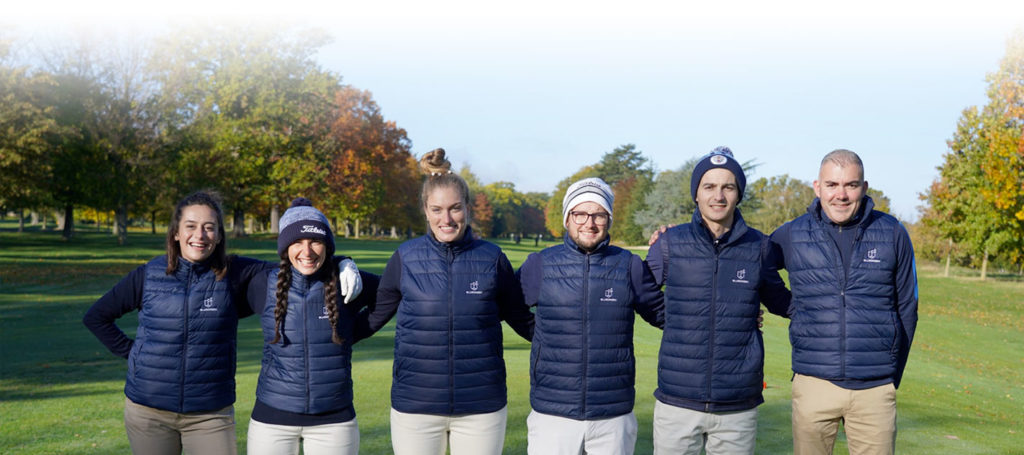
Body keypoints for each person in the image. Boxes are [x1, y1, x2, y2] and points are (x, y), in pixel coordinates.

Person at [82, 191, 362, 455]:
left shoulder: (236, 273)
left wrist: (341, 262)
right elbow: (97, 317)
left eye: (209, 228)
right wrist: (135, 354)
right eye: (191, 226)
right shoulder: (149, 274)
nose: (199, 235)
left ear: (218, 236)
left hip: (210, 414)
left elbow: (298, 264)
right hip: (147, 411)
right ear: (176, 233)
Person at [366, 148, 534, 455]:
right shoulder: (405, 257)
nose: (446, 219)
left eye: (455, 209)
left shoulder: (492, 258)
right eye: (437, 209)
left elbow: (522, 320)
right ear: (426, 211)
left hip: (481, 408)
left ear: (468, 208)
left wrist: (574, 342)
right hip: (415, 408)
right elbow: (374, 317)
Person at [769, 149, 918, 455]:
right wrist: (793, 307)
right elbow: (749, 265)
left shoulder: (893, 233)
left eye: (851, 185)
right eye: (832, 185)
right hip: (813, 385)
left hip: (875, 389)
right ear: (817, 187)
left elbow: (907, 306)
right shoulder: (792, 234)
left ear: (864, 187)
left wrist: (891, 374)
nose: (841, 195)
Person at [645, 146, 792, 455]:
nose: (718, 196)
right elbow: (640, 294)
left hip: (737, 404)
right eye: (709, 186)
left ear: (739, 195)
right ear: (696, 194)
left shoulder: (760, 247)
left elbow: (782, 302)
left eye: (728, 187)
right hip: (677, 401)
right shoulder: (669, 243)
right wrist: (676, 318)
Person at [516, 177, 665, 455]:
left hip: (613, 415)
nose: (589, 222)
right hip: (552, 413)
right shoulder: (541, 264)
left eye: (599, 214)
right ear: (567, 218)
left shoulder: (629, 265)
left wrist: (676, 247)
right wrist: (541, 335)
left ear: (608, 220)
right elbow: (509, 306)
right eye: (580, 214)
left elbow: (666, 315)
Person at [244, 197, 379, 455]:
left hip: (334, 422)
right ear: (285, 247)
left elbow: (390, 293)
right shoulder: (262, 283)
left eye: (315, 241)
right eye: (296, 242)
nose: (306, 251)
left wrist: (352, 330)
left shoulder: (346, 282)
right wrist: (342, 259)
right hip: (271, 421)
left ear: (327, 246)